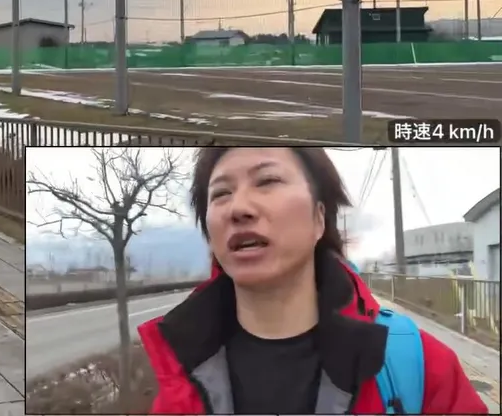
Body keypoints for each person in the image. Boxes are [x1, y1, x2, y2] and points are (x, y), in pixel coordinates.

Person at [137, 147, 488, 415]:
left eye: (267, 181)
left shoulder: (419, 365)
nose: (238, 207)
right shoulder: (182, 373)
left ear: (319, 218)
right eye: (220, 193)